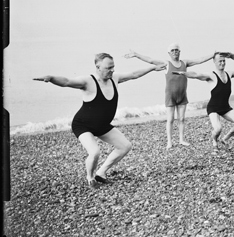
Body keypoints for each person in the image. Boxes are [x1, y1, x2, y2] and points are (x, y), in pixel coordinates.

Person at [33, 53, 166, 188]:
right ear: (98, 67)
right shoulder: (88, 81)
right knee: (95, 152)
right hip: (83, 125)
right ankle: (90, 178)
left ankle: (101, 173)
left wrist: (153, 68)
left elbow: (134, 74)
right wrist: (51, 78)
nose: (112, 70)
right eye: (109, 68)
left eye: (113, 67)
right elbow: (67, 82)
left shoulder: (115, 78)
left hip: (102, 125)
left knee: (125, 146)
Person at [124, 44, 214, 149]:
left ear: (180, 52)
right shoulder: (166, 63)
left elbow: (199, 60)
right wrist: (136, 55)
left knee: (181, 119)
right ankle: (169, 142)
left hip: (182, 95)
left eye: (177, 50)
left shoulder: (184, 62)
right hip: (170, 95)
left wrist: (212, 55)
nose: (175, 52)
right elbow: (151, 60)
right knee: (170, 119)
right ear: (169, 53)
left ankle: (181, 139)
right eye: (173, 50)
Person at [174, 52, 234, 149]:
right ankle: (214, 140)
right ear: (214, 62)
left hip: (225, 107)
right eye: (219, 61)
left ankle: (225, 138)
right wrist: (184, 73)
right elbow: (196, 74)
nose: (222, 63)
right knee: (218, 129)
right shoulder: (211, 75)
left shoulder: (229, 74)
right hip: (213, 108)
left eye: (223, 61)